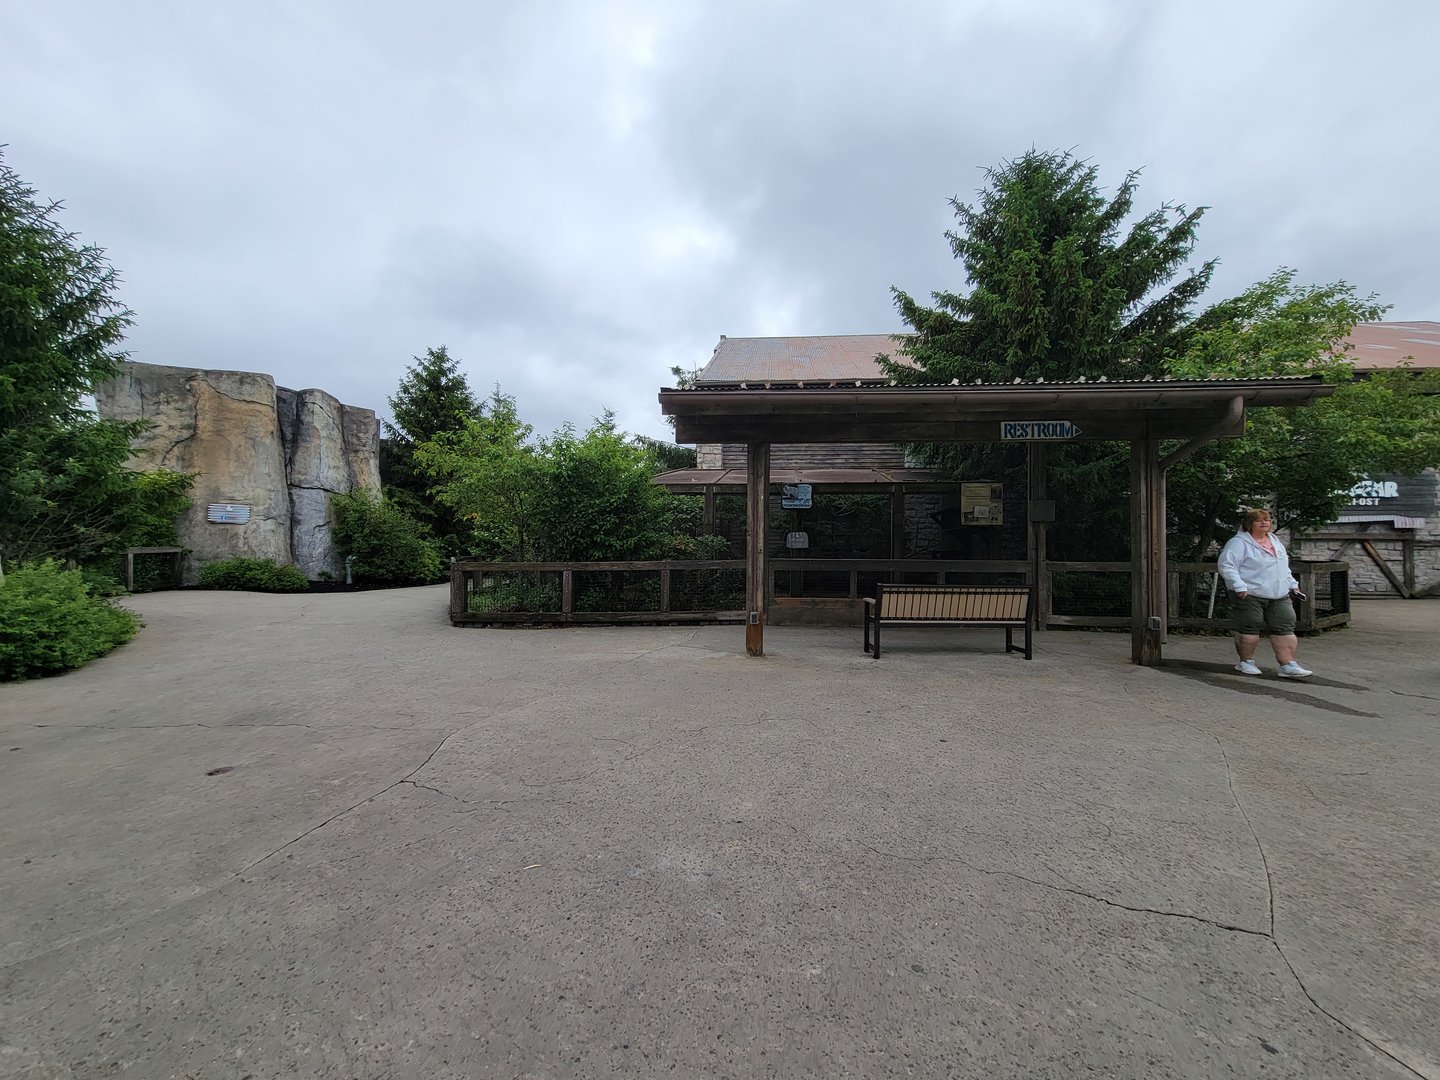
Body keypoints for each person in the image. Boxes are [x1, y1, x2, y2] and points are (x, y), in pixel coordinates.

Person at [1217, 508, 1312, 678]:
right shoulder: (1238, 543)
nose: (1264, 523)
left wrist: (1293, 586)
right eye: (1259, 520)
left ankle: (1288, 664)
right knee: (1249, 627)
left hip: (1278, 593)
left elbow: (1283, 568)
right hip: (1248, 593)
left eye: (1267, 520)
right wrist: (1238, 586)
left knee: (1285, 627)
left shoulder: (1275, 541)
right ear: (1249, 524)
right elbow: (1227, 565)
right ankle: (1246, 662)